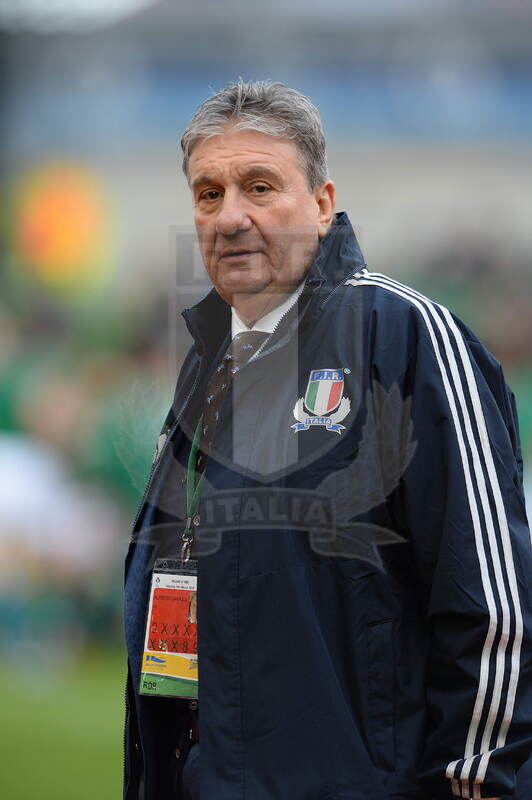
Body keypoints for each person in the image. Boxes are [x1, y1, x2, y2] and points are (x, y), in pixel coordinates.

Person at [123, 80, 532, 800]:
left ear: (321, 201)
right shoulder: (207, 356)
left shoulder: (406, 334)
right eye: (209, 194)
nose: (231, 217)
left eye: (259, 186)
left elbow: (491, 603)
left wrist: (476, 787)